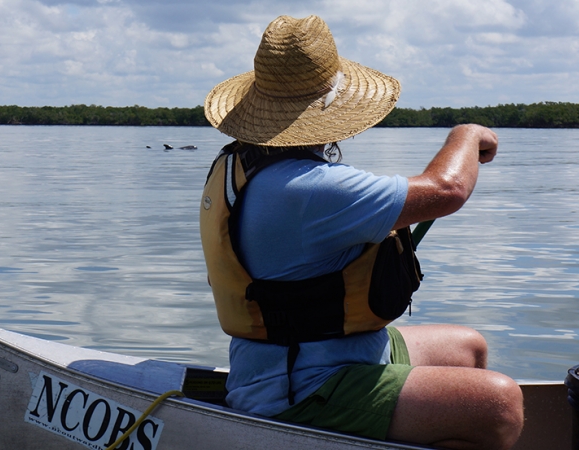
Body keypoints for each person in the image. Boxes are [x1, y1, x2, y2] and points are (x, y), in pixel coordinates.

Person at [199, 15, 524, 450]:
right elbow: (447, 190)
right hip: (301, 388)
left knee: (469, 348)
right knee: (499, 405)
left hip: (317, 355)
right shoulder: (306, 189)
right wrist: (467, 134)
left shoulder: (237, 167)